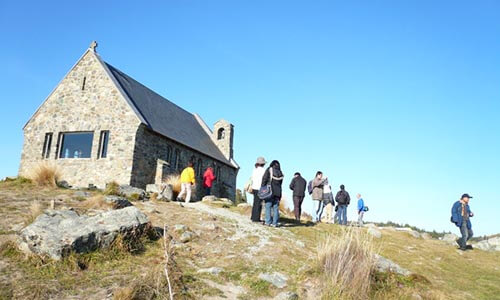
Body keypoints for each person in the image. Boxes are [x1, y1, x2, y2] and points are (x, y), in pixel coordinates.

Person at [261, 160, 284, 227]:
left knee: (268, 206)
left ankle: (268, 222)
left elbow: (264, 179)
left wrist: (262, 187)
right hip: (278, 192)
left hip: (270, 191)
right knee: (275, 208)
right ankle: (275, 223)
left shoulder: (269, 169)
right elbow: (280, 184)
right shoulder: (281, 173)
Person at [250, 157, 267, 222]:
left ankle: (253, 216)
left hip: (254, 187)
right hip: (260, 188)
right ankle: (256, 218)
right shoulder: (264, 171)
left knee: (255, 202)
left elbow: (252, 178)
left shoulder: (254, 170)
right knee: (259, 203)